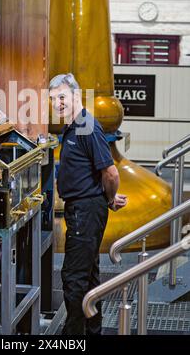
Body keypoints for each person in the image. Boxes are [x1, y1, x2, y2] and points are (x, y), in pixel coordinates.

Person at [49, 73, 127, 336]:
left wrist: (105, 197)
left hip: (86, 211)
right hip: (83, 207)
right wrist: (103, 194)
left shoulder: (87, 126)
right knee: (90, 276)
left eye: (61, 96)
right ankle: (93, 331)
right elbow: (94, 172)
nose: (57, 103)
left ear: (75, 95)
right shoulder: (73, 126)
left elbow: (111, 172)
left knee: (74, 278)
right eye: (52, 99)